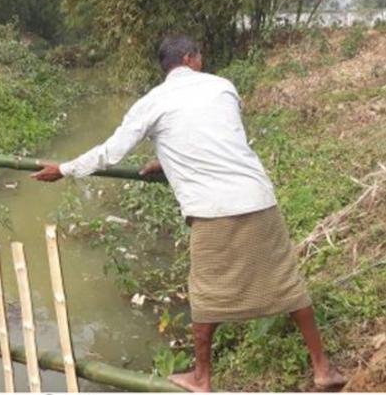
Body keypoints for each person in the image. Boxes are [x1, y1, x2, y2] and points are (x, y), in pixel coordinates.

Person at [31, 35, 346, 392]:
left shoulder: (152, 102)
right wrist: (166, 160)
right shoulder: (223, 87)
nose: (202, 61)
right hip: (258, 198)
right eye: (200, 56)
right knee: (288, 285)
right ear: (190, 58)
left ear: (168, 66)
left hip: (213, 211)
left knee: (206, 297)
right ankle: (322, 369)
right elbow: (217, 138)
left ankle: (201, 378)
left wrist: (65, 168)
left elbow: (111, 152)